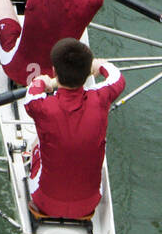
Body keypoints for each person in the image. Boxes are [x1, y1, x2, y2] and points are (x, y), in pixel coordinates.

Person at [25, 39, 124, 221]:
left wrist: (44, 82)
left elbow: (31, 95)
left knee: (36, 143)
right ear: (88, 74)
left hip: (44, 201)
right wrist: (100, 65)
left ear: (54, 71)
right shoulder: (101, 98)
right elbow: (118, 77)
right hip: (90, 203)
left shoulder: (40, 107)